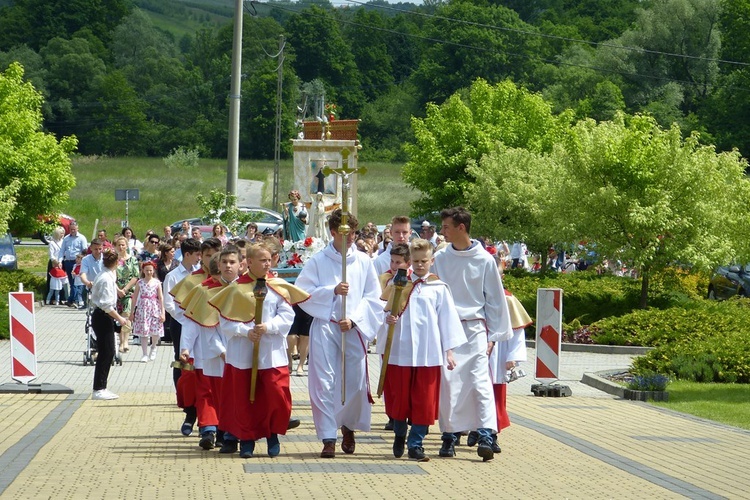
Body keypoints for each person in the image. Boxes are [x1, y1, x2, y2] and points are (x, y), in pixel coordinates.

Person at [295, 209, 383, 458]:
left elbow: (373, 298)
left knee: (353, 382)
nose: (351, 238)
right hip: (326, 325)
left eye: (353, 233)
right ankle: (328, 436)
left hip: (352, 328)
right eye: (345, 233)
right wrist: (330, 290)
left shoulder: (364, 262)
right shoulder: (318, 261)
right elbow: (303, 292)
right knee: (324, 382)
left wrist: (355, 319)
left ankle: (348, 425)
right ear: (333, 233)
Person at [211, 243, 309, 458]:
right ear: (250, 262)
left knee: (275, 393)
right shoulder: (236, 289)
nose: (266, 264)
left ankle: (272, 433)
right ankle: (246, 440)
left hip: (271, 351)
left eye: (269, 260)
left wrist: (268, 327)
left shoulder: (278, 286)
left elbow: (286, 316)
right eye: (262, 260)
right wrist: (245, 332)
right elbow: (225, 322)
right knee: (245, 397)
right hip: (243, 353)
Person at [432, 207, 512, 462]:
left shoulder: (485, 260)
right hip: (449, 327)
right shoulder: (441, 258)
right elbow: (434, 292)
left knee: (480, 383)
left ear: (461, 228)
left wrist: (493, 336)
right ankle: (449, 435)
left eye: (446, 227)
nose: (442, 231)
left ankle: (486, 434)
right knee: (449, 382)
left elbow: (496, 301)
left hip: (475, 328)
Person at [381, 239, 466, 462]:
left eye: (424, 261)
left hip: (428, 353)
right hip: (401, 351)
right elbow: (384, 310)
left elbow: (447, 320)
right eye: (416, 261)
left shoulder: (439, 288)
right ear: (410, 261)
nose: (420, 265)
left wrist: (448, 350)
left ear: (431, 261)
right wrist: (388, 318)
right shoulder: (399, 284)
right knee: (400, 398)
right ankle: (400, 433)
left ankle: (416, 443)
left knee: (424, 400)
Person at [163, 238, 202, 435]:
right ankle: (184, 396)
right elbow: (168, 302)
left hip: (198, 321)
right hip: (180, 322)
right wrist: (183, 316)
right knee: (182, 359)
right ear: (187, 254)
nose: (199, 258)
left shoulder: (198, 274)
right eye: (196, 254)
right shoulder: (173, 276)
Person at [91, 249, 131, 400]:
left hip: (103, 315)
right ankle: (99, 388)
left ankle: (101, 387)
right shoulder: (106, 278)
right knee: (106, 351)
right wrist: (120, 319)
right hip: (103, 315)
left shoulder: (107, 275)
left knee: (108, 351)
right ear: (116, 263)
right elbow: (107, 306)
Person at [130, 261, 165, 363]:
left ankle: (153, 347)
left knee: (155, 331)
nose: (149, 272)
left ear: (153, 271)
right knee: (144, 332)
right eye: (147, 270)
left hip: (154, 307)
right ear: (143, 271)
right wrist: (132, 312)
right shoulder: (140, 283)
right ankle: (144, 354)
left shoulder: (157, 282)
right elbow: (135, 297)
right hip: (143, 308)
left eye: (150, 270)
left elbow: (161, 298)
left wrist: (162, 312)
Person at [112, 236, 139, 352]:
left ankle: (126, 340)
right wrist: (118, 290)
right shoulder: (113, 260)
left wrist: (125, 289)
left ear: (127, 246)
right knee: (118, 317)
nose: (121, 247)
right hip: (116, 290)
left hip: (128, 292)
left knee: (126, 315)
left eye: (123, 245)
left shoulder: (132, 259)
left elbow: (135, 276)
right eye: (119, 245)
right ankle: (121, 340)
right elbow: (111, 275)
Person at [59, 221, 88, 307]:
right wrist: (60, 261)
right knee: (71, 282)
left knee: (77, 283)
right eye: (71, 229)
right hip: (68, 262)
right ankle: (73, 299)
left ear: (77, 229)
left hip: (78, 263)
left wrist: (81, 261)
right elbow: (62, 251)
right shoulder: (66, 238)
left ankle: (73, 299)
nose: (72, 231)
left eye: (74, 229)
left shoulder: (82, 238)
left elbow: (85, 251)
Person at [79, 239, 105, 311]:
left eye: (100, 249)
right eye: (96, 249)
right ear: (91, 248)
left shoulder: (106, 258)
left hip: (104, 286)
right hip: (92, 287)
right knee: (93, 310)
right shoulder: (86, 259)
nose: (98, 251)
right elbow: (83, 274)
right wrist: (87, 283)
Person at [46, 226, 65, 303]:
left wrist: (60, 261)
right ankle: (51, 298)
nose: (62, 234)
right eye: (61, 233)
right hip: (54, 263)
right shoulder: (52, 243)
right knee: (52, 281)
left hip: (61, 261)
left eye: (63, 233)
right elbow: (51, 255)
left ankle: (61, 298)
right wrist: (56, 262)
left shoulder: (63, 242)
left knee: (62, 280)